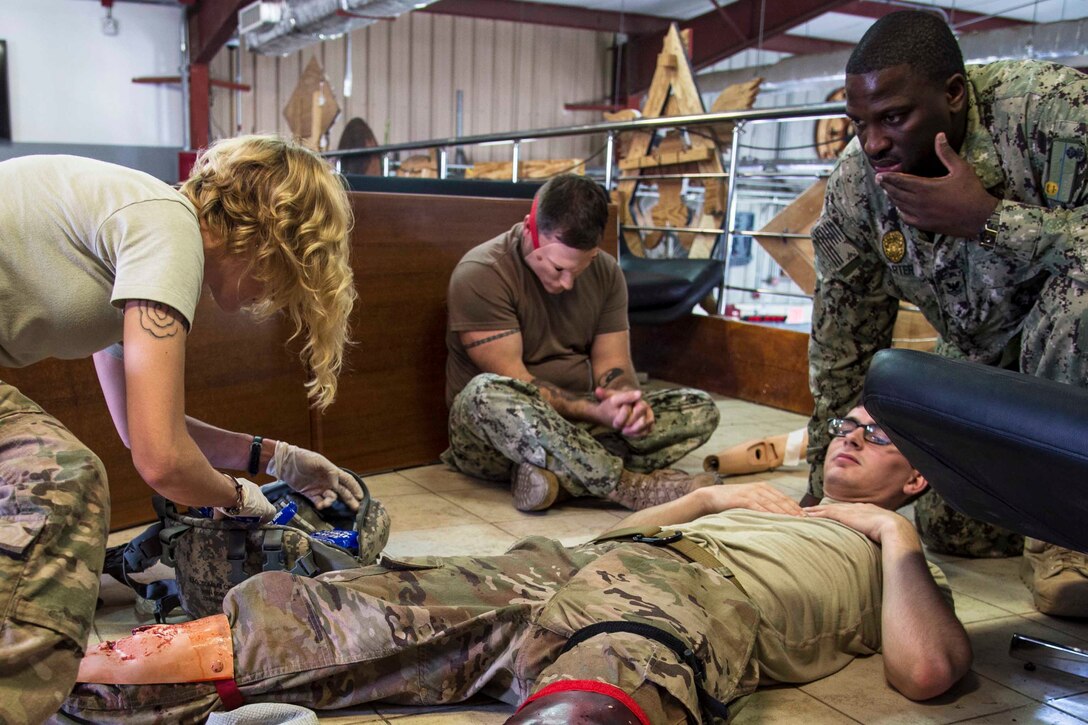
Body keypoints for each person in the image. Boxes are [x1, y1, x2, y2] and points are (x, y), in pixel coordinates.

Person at [62, 404, 971, 724]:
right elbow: (638, 520)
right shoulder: (775, 499)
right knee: (333, 610)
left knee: (597, 699)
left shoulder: (888, 555)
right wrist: (706, 497)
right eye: (844, 427)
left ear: (918, 473)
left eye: (877, 435)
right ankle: (69, 680)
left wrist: (893, 536)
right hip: (575, 559)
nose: (849, 440)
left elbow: (926, 670)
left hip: (686, 601)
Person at [0, 135, 365, 724]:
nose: (269, 299)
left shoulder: (141, 233)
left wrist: (276, 458)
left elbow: (141, 426)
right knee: (60, 481)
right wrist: (241, 500)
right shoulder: (167, 229)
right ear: (269, 236)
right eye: (284, 276)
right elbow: (162, 460)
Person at [806, 10, 1088, 613]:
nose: (874, 143)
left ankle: (1066, 545)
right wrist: (821, 496)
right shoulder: (860, 185)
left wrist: (990, 221)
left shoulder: (1055, 115)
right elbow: (842, 338)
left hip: (1073, 370)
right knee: (948, 524)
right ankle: (1042, 505)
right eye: (858, 123)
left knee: (1078, 298)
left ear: (954, 94)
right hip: (985, 370)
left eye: (894, 117)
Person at [442, 174, 721, 512]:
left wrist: (624, 406)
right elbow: (518, 384)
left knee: (698, 407)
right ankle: (630, 487)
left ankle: (556, 481)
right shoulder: (481, 273)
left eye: (580, 268)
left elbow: (614, 367)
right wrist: (594, 411)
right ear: (531, 229)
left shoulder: (606, 272)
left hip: (582, 426)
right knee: (484, 392)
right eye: (558, 267)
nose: (567, 283)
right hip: (496, 440)